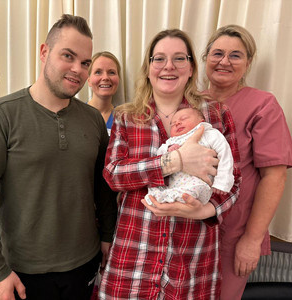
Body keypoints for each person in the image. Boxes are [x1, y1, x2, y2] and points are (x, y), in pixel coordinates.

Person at [0, 14, 117, 300]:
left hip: (84, 263)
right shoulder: (1, 116)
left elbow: (103, 185)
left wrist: (108, 234)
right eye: (67, 56)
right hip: (23, 271)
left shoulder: (93, 120)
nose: (77, 69)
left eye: (85, 63)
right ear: (44, 52)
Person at [98, 28, 241, 300]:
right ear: (149, 68)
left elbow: (234, 179)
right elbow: (113, 174)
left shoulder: (216, 114)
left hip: (192, 257)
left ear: (191, 68)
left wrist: (207, 211)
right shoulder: (127, 117)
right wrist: (172, 162)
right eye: (159, 58)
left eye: (179, 58)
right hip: (134, 254)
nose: (168, 66)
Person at [202, 24, 292, 300]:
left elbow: (275, 176)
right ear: (205, 57)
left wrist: (252, 240)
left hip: (234, 236)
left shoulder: (262, 105)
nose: (224, 61)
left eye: (235, 55)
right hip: (190, 233)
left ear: (248, 63)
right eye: (217, 53)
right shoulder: (190, 104)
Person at [145, 107, 234, 206]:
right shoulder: (171, 141)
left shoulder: (209, 134)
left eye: (183, 119)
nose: (177, 123)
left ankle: (176, 198)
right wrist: (169, 149)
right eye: (173, 124)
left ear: (201, 121)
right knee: (153, 184)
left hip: (199, 183)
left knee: (197, 188)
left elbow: (225, 155)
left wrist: (222, 182)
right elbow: (158, 158)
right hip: (174, 185)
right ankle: (163, 197)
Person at [87, 51, 121, 135]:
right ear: (89, 80)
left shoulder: (124, 119)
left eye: (111, 72)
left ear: (118, 79)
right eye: (98, 72)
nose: (105, 77)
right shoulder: (76, 116)